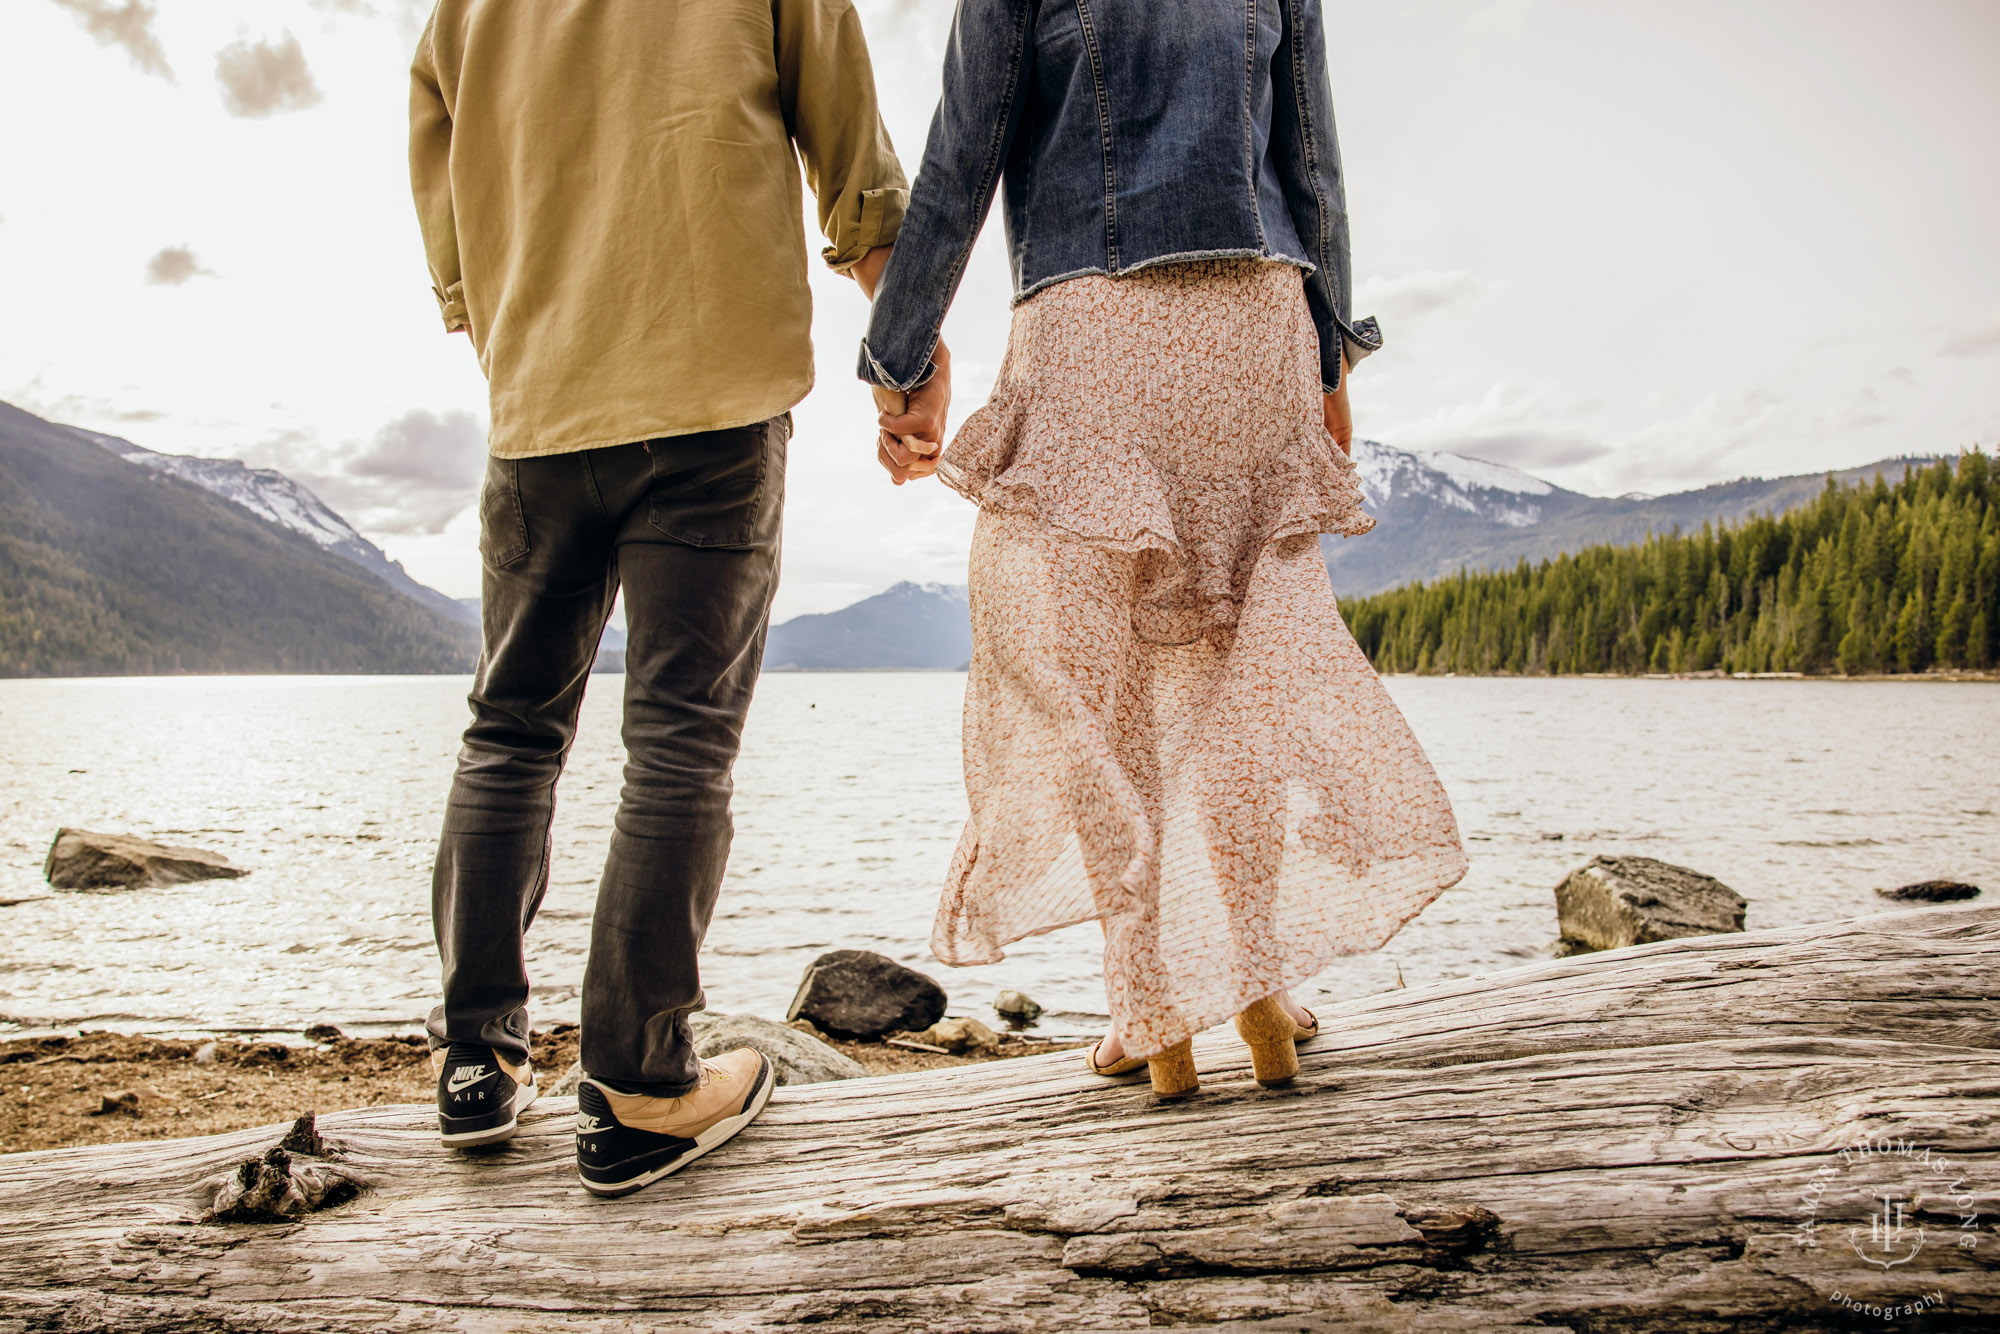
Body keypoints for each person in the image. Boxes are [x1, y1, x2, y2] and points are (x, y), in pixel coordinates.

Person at [862, 0, 1468, 1097]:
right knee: (1243, 664)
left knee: (1099, 684)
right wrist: (1329, 358)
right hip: (1255, 315)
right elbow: (1313, 167)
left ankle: (1148, 1006)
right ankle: (1257, 984)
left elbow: (963, 152)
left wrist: (901, 355)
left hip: (1091, 318)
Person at [407, 0, 941, 1194]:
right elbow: (852, 164)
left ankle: (472, 1065)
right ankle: (640, 1086)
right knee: (681, 746)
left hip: (540, 397)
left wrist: (482, 300)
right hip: (711, 387)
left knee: (508, 729)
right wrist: (906, 351)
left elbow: (437, 140)